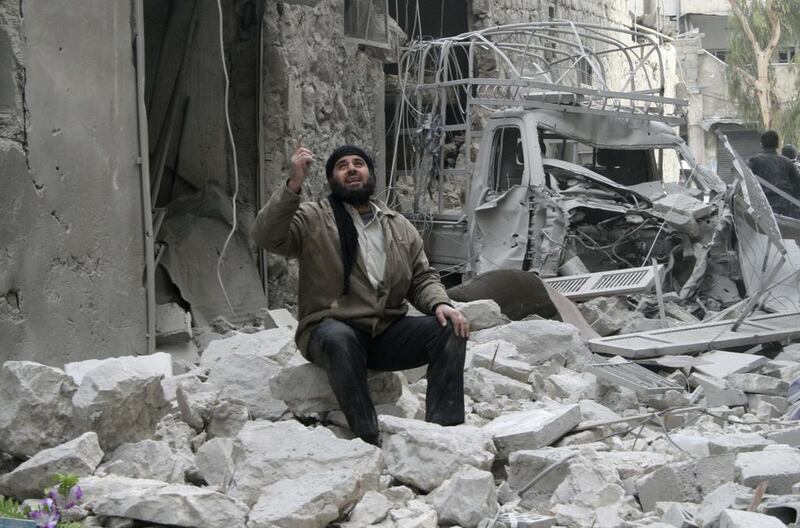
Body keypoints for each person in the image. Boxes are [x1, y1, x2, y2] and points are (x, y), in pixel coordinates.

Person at [253, 139, 469, 446]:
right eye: (342, 166)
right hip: (329, 330)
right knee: (340, 338)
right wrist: (293, 185)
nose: (351, 170)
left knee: (450, 328)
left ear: (370, 175)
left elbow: (422, 278)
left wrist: (441, 303)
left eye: (358, 164)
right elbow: (266, 236)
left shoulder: (399, 226)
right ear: (331, 180)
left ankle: (441, 435)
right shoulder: (313, 218)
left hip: (383, 332)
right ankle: (369, 439)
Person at [747, 130, 800, 219]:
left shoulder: (754, 161)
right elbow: (798, 184)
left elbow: (746, 183)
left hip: (761, 207)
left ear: (761, 144)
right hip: (784, 207)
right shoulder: (787, 162)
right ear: (778, 145)